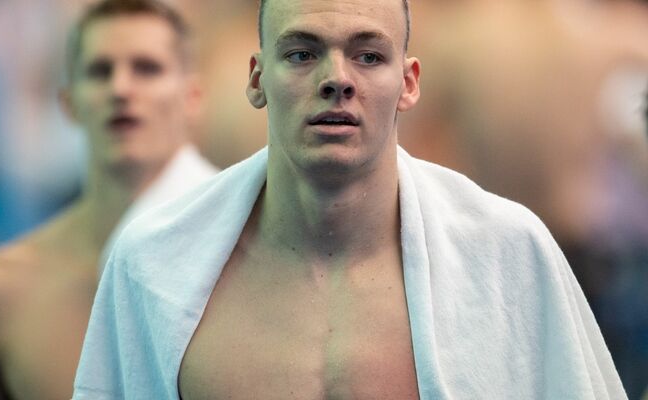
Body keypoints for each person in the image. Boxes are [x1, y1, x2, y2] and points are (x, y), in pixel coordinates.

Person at [73, 0, 625, 398]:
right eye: (301, 54)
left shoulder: (508, 255)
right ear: (257, 77)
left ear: (409, 83)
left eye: (367, 56)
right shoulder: (152, 264)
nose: (336, 79)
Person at [0, 1, 217, 398]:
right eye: (100, 71)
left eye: (147, 68)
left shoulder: (241, 263)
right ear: (67, 102)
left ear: (192, 97)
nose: (121, 88)